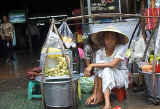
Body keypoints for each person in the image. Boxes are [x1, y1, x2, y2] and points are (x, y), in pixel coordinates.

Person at [84, 26, 129, 109]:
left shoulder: (120, 48)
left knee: (106, 69)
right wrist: (94, 93)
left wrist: (91, 65)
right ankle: (99, 96)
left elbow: (112, 64)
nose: (110, 41)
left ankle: (107, 104)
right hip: (106, 76)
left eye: (113, 38)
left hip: (120, 76)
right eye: (107, 38)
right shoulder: (99, 52)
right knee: (102, 69)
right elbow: (97, 74)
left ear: (116, 39)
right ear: (103, 40)